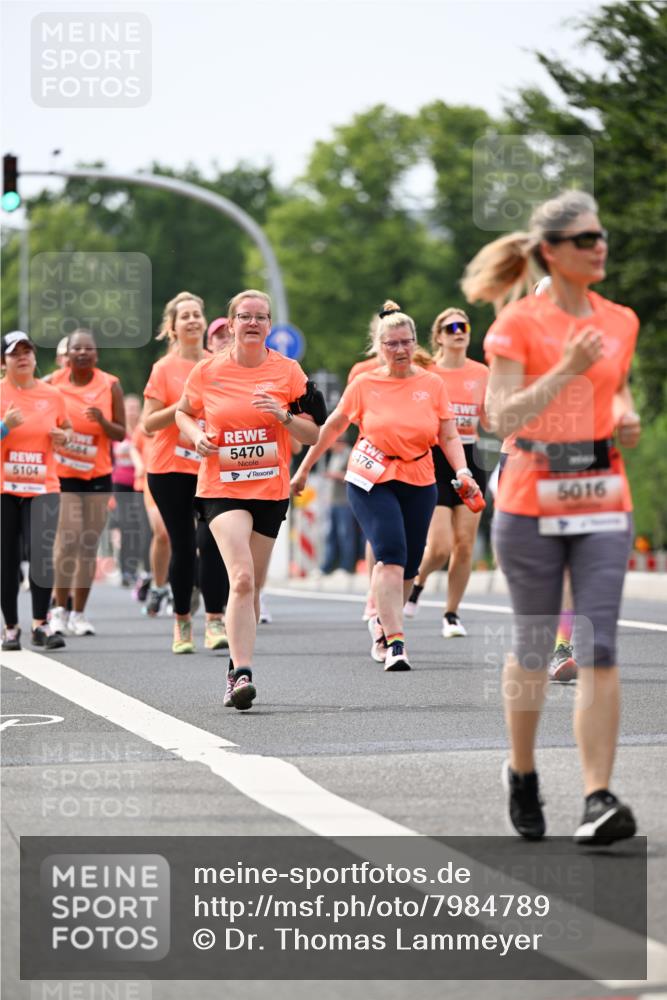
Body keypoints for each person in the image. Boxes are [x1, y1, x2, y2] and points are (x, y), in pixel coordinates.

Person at [464, 189, 641, 844]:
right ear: (549, 252)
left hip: (600, 491)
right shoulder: (516, 325)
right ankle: (521, 770)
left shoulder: (619, 319)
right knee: (536, 643)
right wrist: (566, 368)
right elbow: (500, 417)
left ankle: (597, 798)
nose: (598, 248)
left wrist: (621, 411)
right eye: (584, 240)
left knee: (597, 643)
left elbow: (614, 379)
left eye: (601, 237)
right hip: (530, 490)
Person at [292, 301, 481, 672]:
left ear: (415, 343)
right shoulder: (364, 384)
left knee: (410, 565)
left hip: (420, 477)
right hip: (372, 479)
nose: (400, 350)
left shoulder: (432, 383)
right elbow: (332, 427)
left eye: (406, 342)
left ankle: (383, 618)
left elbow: (448, 433)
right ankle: (395, 642)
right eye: (392, 344)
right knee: (390, 553)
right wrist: (303, 470)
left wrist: (463, 471)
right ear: (379, 346)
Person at [175, 288, 319, 709]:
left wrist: (284, 417)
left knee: (252, 588)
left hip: (269, 490)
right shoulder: (207, 371)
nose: (253, 322)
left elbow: (314, 434)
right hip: (221, 488)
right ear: (232, 323)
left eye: (261, 316)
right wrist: (197, 435)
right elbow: (183, 411)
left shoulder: (289, 372)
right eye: (244, 316)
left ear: (270, 325)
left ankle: (235, 663)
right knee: (239, 577)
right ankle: (241, 675)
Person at [143, 292, 230, 654]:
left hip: (212, 466)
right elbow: (148, 424)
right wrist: (182, 407)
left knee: (213, 544)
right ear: (173, 327)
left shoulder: (219, 363)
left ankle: (214, 620)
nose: (193, 320)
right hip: (170, 469)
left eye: (197, 314)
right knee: (182, 545)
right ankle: (182, 623)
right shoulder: (164, 369)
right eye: (185, 316)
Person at [405, 308, 489, 636]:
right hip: (435, 459)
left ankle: (451, 614)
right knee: (439, 546)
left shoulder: (482, 372)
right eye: (450, 327)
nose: (458, 331)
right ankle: (418, 583)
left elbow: (492, 419)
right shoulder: (426, 371)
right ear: (438, 336)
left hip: (471, 457)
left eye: (463, 326)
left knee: (465, 543)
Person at [49, 330, 126, 637]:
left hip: (97, 475)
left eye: (88, 348)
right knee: (68, 538)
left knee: (88, 545)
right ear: (67, 354)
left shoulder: (110, 385)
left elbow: (121, 433)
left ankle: (78, 614)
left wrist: (101, 422)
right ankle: (57, 609)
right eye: (76, 348)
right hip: (63, 473)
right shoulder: (53, 383)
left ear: (96, 354)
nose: (82, 352)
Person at [1, 332, 72, 651]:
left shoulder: (52, 395)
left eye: (27, 351)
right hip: (4, 488)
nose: (23, 357)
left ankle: (40, 624)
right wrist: (5, 427)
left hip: (43, 485)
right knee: (7, 558)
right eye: (15, 353)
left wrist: (64, 436)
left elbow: (67, 428)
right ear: (4, 360)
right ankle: (11, 627)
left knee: (41, 554)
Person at [111, 394, 150, 587]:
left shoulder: (144, 430)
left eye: (136, 407)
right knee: (127, 527)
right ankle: (126, 569)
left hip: (142, 484)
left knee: (141, 528)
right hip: (120, 485)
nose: (133, 411)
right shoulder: (118, 432)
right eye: (129, 408)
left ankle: (139, 569)